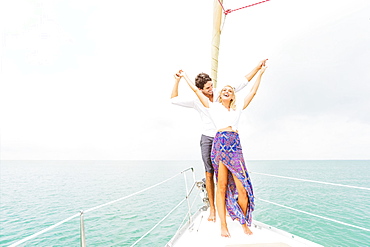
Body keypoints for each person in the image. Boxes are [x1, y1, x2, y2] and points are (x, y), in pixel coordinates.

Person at [170, 60, 267, 222]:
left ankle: (232, 207)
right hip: (210, 138)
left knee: (232, 176)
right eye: (207, 88)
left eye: (211, 85)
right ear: (201, 89)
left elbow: (244, 83)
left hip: (230, 142)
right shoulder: (200, 101)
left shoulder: (223, 93)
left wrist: (258, 69)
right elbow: (173, 99)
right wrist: (179, 79)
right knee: (209, 173)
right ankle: (214, 209)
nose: (211, 90)